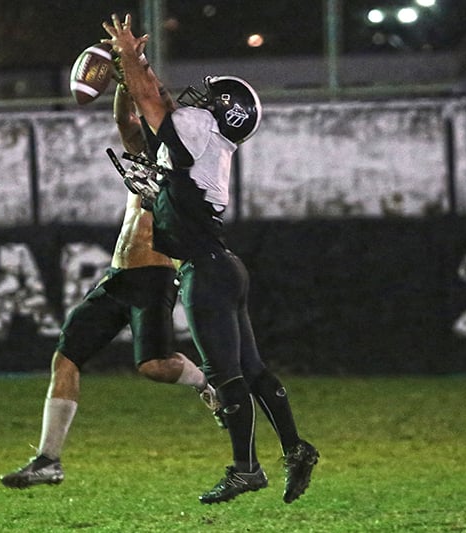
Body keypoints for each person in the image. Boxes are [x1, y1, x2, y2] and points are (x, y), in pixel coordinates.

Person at [102, 13, 319, 505]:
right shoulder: (207, 143)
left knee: (227, 377)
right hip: (222, 267)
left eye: (208, 100)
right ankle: (296, 448)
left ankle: (247, 469)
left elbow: (152, 100)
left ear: (220, 112)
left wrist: (129, 57)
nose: (193, 101)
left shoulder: (197, 128)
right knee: (254, 372)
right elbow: (136, 113)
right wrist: (128, 73)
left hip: (207, 271)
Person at [0, 70, 219, 489]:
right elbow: (125, 121)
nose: (157, 102)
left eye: (163, 99)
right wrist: (123, 77)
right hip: (117, 275)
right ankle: (48, 460)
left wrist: (138, 75)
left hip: (155, 277)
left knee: (154, 366)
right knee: (66, 356)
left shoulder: (190, 165)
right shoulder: (149, 151)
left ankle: (206, 381)